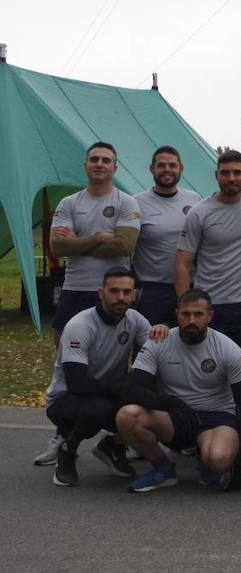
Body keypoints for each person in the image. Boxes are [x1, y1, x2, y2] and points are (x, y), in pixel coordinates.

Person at [118, 289, 241, 493]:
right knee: (127, 416)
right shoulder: (158, 342)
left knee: (218, 459)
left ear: (210, 316)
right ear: (177, 314)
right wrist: (171, 403)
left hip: (217, 418)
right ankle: (163, 469)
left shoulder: (229, 349)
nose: (191, 320)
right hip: (176, 417)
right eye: (186, 314)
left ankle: (207, 458)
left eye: (198, 314)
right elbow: (130, 391)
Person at [44, 268, 154, 486]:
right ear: (101, 292)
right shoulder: (79, 325)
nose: (120, 297)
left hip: (109, 391)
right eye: (114, 291)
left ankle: (113, 446)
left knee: (156, 400)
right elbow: (78, 384)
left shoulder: (136, 320)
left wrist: (162, 332)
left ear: (135, 295)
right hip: (68, 399)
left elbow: (155, 360)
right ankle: (67, 451)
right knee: (98, 409)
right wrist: (125, 389)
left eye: (126, 292)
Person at [175, 150, 241, 382]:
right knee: (210, 370)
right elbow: (182, 263)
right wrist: (185, 307)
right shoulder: (200, 213)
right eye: (226, 173)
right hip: (212, 305)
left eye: (237, 173)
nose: (232, 178)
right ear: (216, 175)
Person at [49, 142, 141, 341]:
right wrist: (98, 238)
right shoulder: (68, 203)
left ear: (114, 168)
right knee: (64, 341)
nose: (99, 164)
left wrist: (77, 244)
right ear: (85, 166)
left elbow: (124, 246)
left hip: (114, 291)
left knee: (111, 350)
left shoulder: (126, 202)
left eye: (106, 160)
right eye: (94, 159)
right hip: (75, 286)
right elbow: (57, 247)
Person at [132, 145, 200, 327]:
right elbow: (126, 248)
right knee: (149, 347)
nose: (167, 170)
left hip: (190, 286)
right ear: (152, 169)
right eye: (161, 165)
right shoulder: (136, 202)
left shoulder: (194, 199)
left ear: (181, 169)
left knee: (187, 347)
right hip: (152, 289)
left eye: (172, 165)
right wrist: (133, 285)